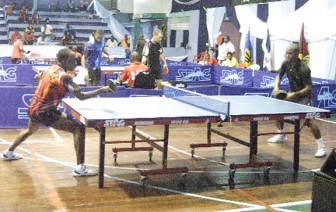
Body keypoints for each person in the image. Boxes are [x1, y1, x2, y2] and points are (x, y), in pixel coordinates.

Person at [1, 48, 116, 177]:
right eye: (72, 60)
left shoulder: (51, 68)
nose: (75, 63)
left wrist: (48, 85)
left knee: (30, 131)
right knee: (78, 128)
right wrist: (103, 89)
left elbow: (37, 76)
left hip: (34, 107)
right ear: (64, 61)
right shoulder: (65, 77)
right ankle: (80, 168)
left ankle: (8, 152)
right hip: (44, 111)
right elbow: (81, 96)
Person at [267, 43, 326, 158]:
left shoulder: (304, 69)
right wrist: (276, 87)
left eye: (289, 53)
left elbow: (309, 88)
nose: (286, 55)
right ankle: (281, 135)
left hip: (304, 96)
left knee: (309, 119)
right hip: (291, 94)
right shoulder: (286, 63)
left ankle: (322, 147)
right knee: (277, 110)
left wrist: (293, 95)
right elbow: (279, 75)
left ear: (295, 54)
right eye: (286, 53)